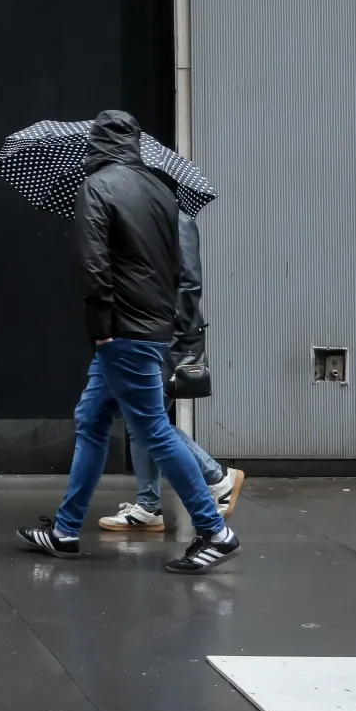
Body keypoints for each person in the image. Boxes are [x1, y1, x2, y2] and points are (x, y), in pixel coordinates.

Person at [18, 109, 242, 574]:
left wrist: (100, 328)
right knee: (92, 419)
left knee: (153, 429)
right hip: (151, 325)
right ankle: (65, 530)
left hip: (122, 330)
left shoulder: (96, 187)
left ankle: (215, 532)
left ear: (95, 143)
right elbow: (180, 268)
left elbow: (94, 264)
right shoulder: (161, 190)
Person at [100, 212, 245, 531]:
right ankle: (149, 505)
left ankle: (217, 477)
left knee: (146, 420)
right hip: (151, 333)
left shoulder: (177, 220)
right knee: (142, 421)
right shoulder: (152, 220)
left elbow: (189, 283)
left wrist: (168, 334)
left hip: (166, 337)